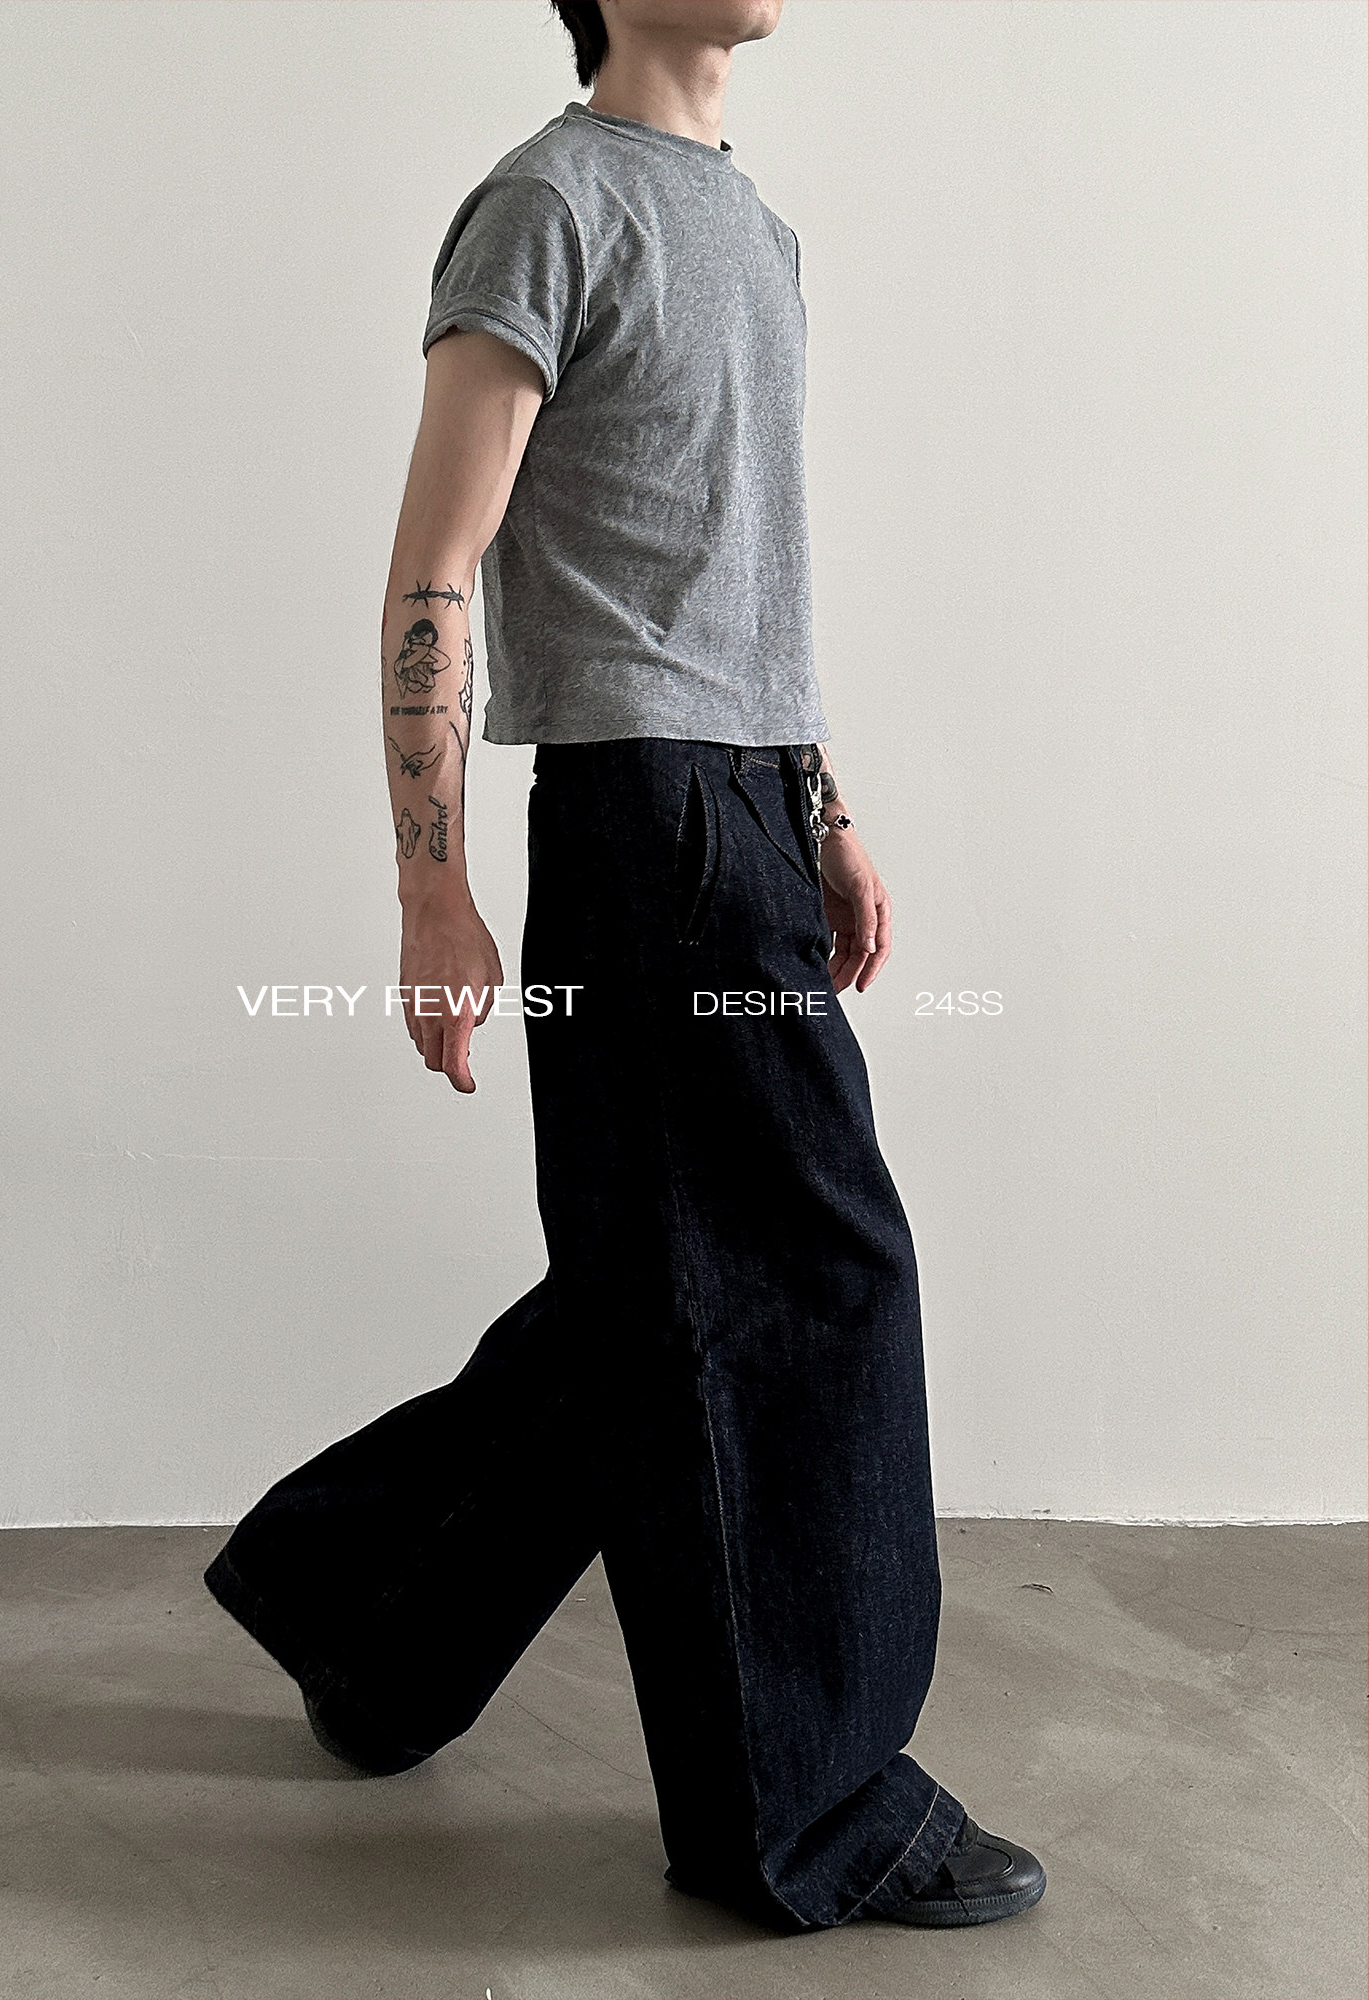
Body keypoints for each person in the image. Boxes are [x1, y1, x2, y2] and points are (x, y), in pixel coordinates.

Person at [204, 0, 1046, 1933]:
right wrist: (430, 891)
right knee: (808, 1281)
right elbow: (435, 568)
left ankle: (368, 1621)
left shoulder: (758, 229)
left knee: (651, 1287)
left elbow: (752, 579)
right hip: (643, 820)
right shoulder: (548, 204)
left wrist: (821, 802)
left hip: (739, 806)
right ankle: (803, 1814)